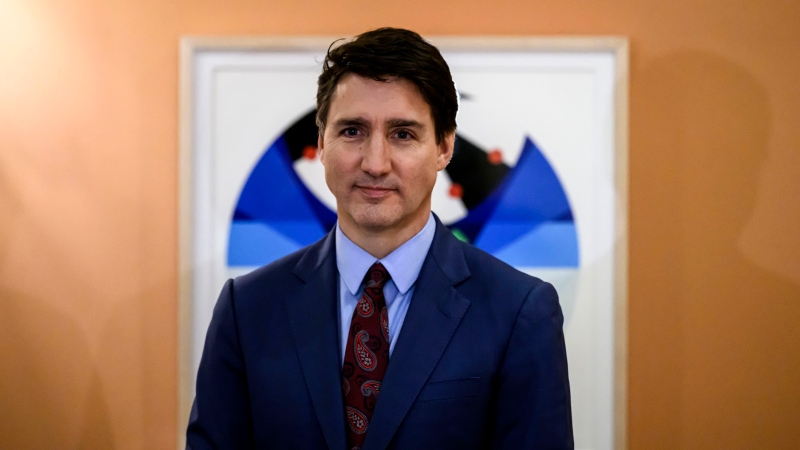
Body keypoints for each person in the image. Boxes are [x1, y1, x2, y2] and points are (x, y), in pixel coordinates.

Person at [187, 27, 573, 449]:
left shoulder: (519, 312)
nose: (375, 162)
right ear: (322, 142)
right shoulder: (247, 310)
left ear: (444, 148)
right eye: (352, 131)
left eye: (402, 134)